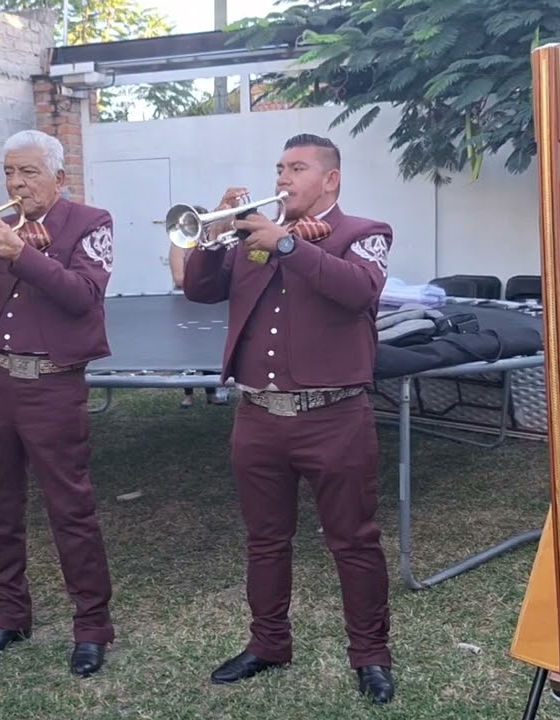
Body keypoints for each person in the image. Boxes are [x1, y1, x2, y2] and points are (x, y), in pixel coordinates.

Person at [183, 133, 396, 704]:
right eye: (279, 167)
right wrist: (213, 235)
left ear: (331, 179)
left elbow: (358, 290)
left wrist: (285, 245)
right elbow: (198, 289)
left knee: (354, 541)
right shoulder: (253, 237)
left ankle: (370, 655)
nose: (282, 177)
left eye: (297, 168)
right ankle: (269, 643)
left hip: (335, 416)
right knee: (265, 540)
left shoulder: (365, 233)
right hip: (258, 416)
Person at [0, 129, 116, 678]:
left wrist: (20, 254)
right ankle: (11, 615)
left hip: (53, 386)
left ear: (59, 177)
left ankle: (91, 627)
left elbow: (84, 296)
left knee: (71, 509)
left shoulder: (91, 222)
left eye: (28, 172)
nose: (16, 184)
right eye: (9, 172)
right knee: (1, 507)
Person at [168, 238, 230, 408]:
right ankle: (188, 395)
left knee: (209, 346)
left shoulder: (215, 242)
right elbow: (179, 279)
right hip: (188, 303)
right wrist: (205, 280)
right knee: (188, 348)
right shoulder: (179, 245)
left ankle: (211, 393)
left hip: (210, 305)